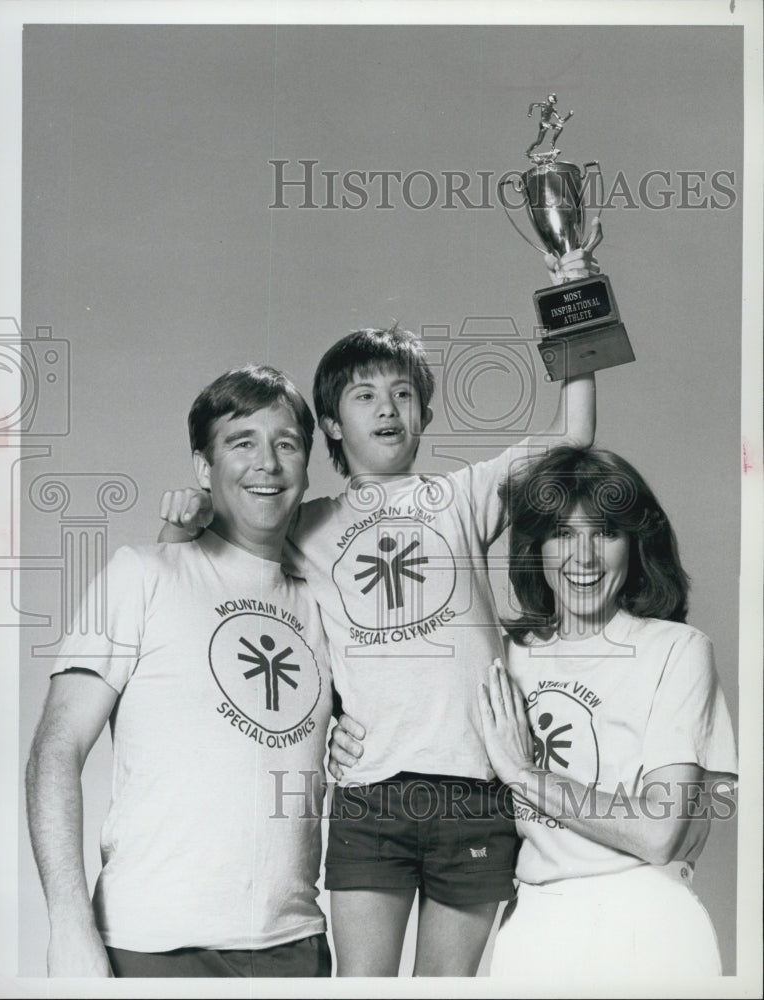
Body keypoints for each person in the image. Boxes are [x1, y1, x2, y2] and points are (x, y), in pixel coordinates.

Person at [158, 235, 600, 977]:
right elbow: (189, 593)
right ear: (329, 424)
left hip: (477, 789)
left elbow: (576, 434)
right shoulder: (304, 523)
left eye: (402, 393)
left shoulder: (462, 496)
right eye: (363, 395)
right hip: (372, 799)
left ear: (423, 412)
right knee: (361, 990)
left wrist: (574, 296)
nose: (386, 407)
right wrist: (179, 518)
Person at [26, 365, 335, 978]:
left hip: (294, 945)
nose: (266, 463)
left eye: (286, 443)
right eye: (241, 442)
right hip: (150, 941)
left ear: (306, 464)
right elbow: (55, 750)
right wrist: (67, 925)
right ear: (203, 467)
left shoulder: (324, 603)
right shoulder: (141, 572)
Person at [476, 446, 737, 984]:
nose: (585, 557)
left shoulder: (676, 649)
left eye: (606, 533)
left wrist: (525, 776)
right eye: (564, 534)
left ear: (636, 544)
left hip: (646, 921)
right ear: (537, 546)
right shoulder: (504, 654)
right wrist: (347, 733)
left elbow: (659, 830)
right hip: (533, 923)